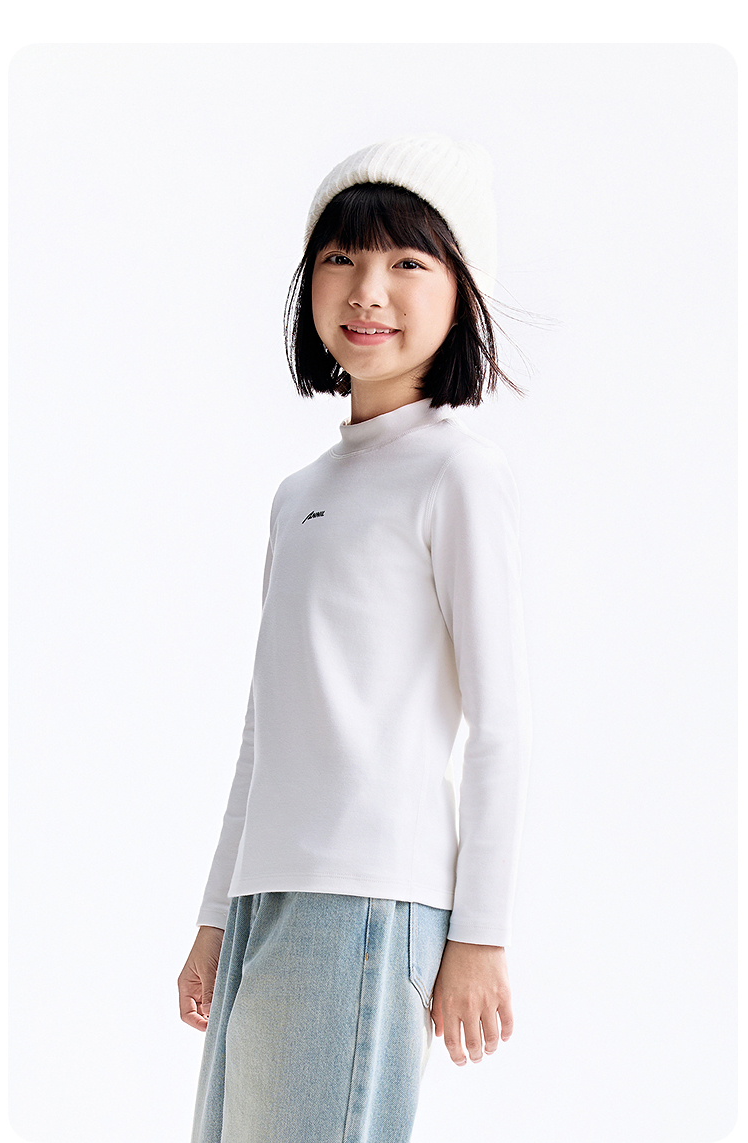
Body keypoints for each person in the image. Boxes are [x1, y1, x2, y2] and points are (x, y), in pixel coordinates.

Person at [178, 131, 533, 1143]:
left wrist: (480, 933)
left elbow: (501, 725)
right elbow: (264, 729)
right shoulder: (299, 494)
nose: (368, 290)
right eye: (341, 258)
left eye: (407, 262)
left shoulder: (456, 473)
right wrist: (218, 913)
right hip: (269, 895)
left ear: (461, 292)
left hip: (372, 898)